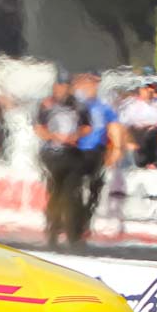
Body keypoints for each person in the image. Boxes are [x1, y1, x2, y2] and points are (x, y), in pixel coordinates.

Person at [34, 70, 91, 248]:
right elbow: (38, 128)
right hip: (52, 155)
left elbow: (87, 127)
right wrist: (54, 136)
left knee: (71, 194)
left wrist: (75, 136)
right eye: (60, 85)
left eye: (66, 86)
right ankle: (52, 232)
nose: (63, 89)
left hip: (72, 153)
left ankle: (72, 235)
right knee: (55, 194)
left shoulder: (79, 106)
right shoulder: (46, 104)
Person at [74, 72, 121, 239]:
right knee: (76, 187)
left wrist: (116, 149)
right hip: (78, 151)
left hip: (97, 151)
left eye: (95, 84)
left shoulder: (104, 107)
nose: (92, 88)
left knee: (95, 187)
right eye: (89, 84)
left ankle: (85, 220)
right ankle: (75, 220)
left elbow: (114, 128)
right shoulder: (78, 106)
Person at [118, 82, 157, 168]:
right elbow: (123, 126)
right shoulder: (131, 105)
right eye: (146, 88)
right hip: (137, 141)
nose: (149, 91)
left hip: (153, 140)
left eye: (151, 88)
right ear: (141, 90)